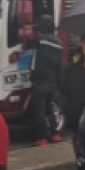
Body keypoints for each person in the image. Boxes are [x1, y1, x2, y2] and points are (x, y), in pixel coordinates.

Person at [26, 15, 64, 146]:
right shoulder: (59, 43)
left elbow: (28, 43)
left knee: (39, 110)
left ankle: (42, 137)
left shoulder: (39, 38)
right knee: (50, 108)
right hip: (52, 80)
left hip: (40, 79)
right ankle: (55, 134)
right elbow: (60, 65)